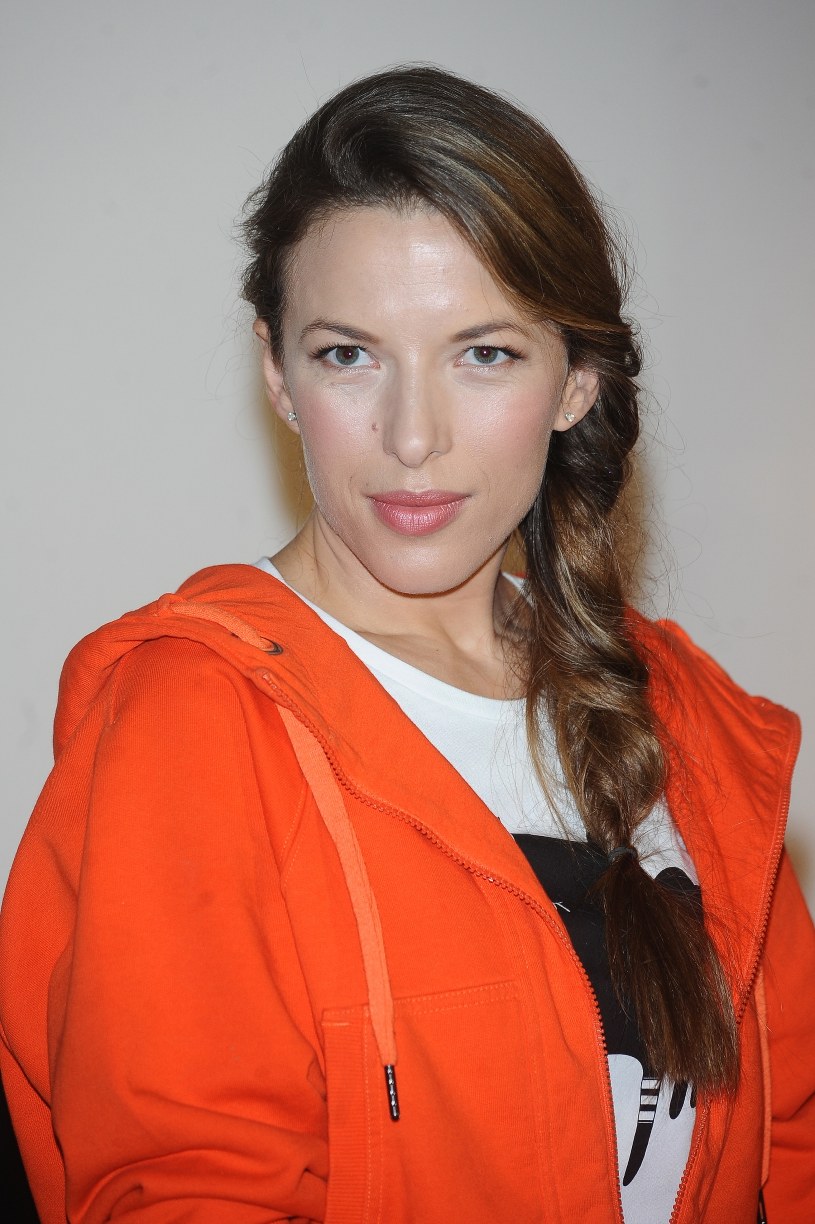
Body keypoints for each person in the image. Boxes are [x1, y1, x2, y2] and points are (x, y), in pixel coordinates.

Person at [0, 65, 812, 1224]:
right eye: (349, 355)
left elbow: (788, 1140)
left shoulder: (684, 713)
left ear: (575, 382)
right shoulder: (194, 718)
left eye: (483, 354)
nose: (411, 436)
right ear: (277, 374)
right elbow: (186, 1187)